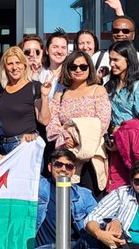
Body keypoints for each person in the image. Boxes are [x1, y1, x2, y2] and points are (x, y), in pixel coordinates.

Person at [46, 49, 111, 196]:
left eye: (83, 66)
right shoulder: (60, 94)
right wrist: (64, 137)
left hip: (91, 156)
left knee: (90, 202)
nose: (78, 70)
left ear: (90, 68)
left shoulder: (98, 90)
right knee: (65, 203)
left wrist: (76, 137)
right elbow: (52, 123)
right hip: (66, 156)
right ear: (67, 69)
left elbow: (102, 123)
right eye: (73, 67)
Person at [34, 150, 100, 249]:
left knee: (93, 238)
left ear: (73, 170)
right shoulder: (37, 186)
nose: (63, 169)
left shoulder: (84, 195)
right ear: (49, 167)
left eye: (69, 166)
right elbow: (18, 175)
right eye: (58, 165)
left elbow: (98, 217)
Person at [104, 41, 139, 191]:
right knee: (117, 188)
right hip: (115, 145)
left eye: (116, 60)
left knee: (137, 185)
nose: (112, 64)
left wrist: (121, 132)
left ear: (128, 60)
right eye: (110, 60)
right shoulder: (109, 87)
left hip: (133, 146)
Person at [0, 46, 51, 156]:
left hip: (25, 144)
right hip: (2, 147)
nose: (14, 67)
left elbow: (45, 120)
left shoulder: (35, 87)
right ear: (4, 67)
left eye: (18, 63)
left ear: (24, 65)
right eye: (10, 64)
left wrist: (44, 96)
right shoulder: (1, 89)